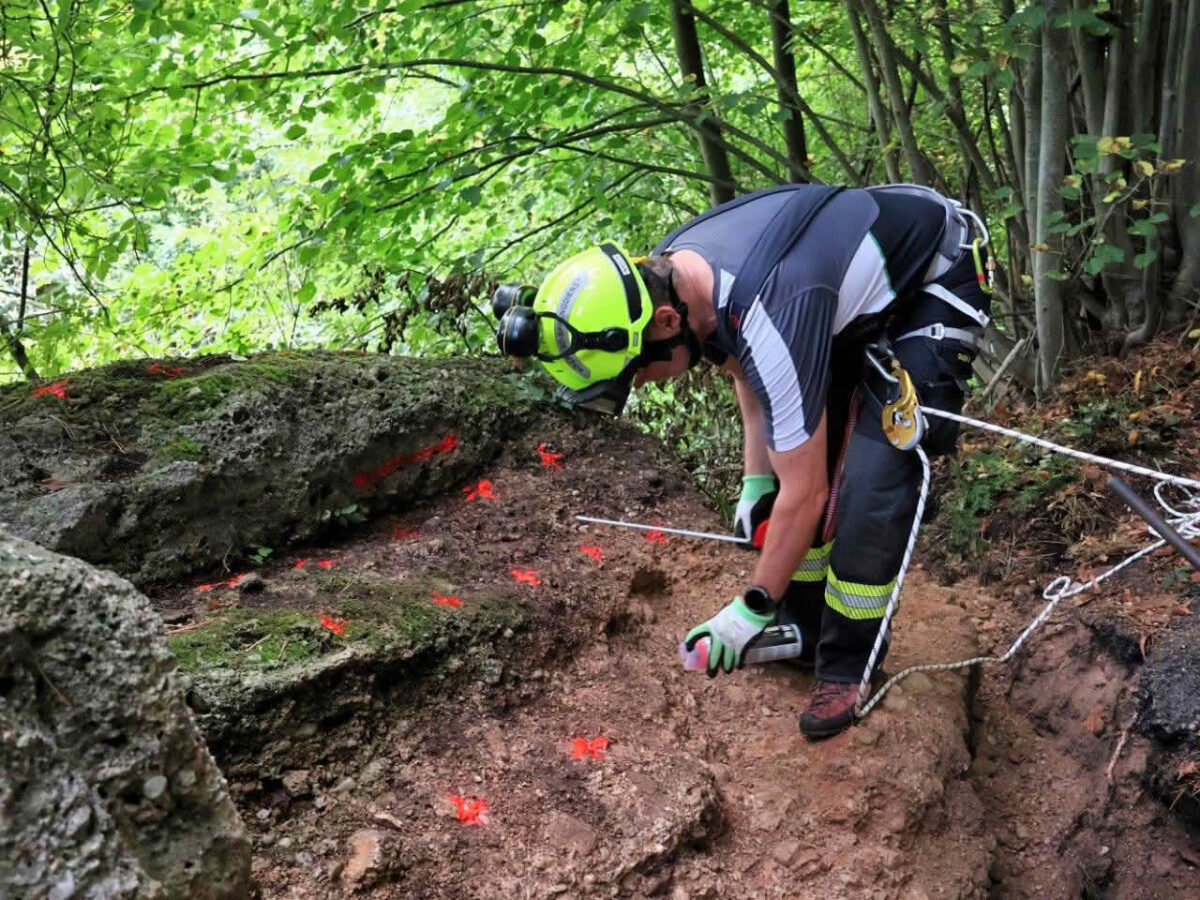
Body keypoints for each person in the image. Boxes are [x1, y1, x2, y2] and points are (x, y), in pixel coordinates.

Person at [492, 183, 991, 739]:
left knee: (874, 480)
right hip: (823, 292)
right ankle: (803, 623)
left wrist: (749, 608)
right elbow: (746, 371)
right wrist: (755, 482)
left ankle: (850, 664)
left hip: (931, 275)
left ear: (663, 323)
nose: (645, 385)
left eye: (637, 371)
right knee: (787, 472)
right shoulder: (675, 276)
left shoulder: (764, 307)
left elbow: (808, 494)